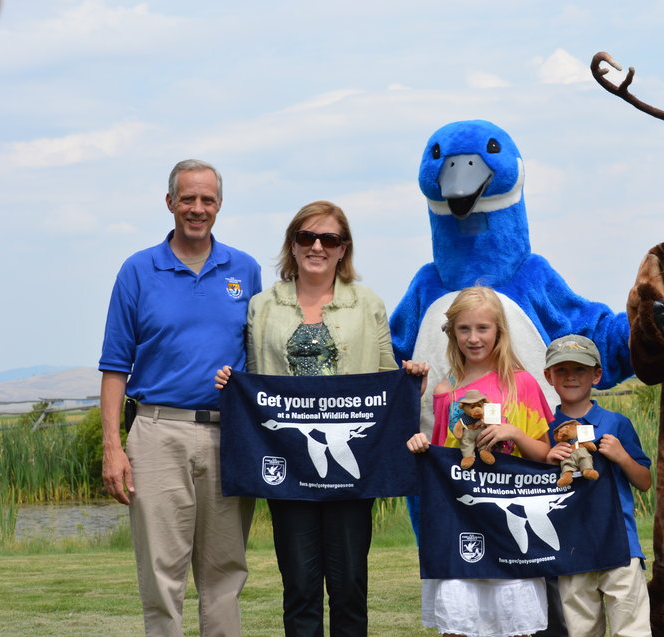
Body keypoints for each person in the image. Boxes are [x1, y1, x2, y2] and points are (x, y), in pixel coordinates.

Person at [215, 200, 427, 637]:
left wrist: (410, 383)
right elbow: (255, 379)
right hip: (288, 463)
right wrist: (232, 387)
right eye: (306, 237)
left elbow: (385, 374)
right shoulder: (262, 306)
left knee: (350, 584)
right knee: (300, 587)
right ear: (291, 245)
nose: (317, 246)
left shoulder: (367, 303)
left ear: (343, 249)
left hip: (354, 463)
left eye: (328, 239)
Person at [98, 159, 262, 637]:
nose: (197, 208)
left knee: (225, 574)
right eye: (187, 198)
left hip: (229, 438)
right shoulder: (137, 270)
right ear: (170, 203)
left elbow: (260, 357)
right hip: (155, 433)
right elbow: (114, 367)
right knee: (161, 574)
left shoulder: (245, 271)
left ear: (219, 205)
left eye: (206, 199)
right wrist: (113, 447)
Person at [406, 286, 554, 637]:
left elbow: (547, 457)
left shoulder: (522, 385)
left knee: (515, 627)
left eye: (483, 328)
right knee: (458, 625)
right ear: (452, 333)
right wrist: (419, 441)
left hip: (510, 521)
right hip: (461, 522)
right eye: (464, 329)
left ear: (499, 331)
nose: (473, 338)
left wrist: (515, 434)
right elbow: (443, 459)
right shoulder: (445, 391)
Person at [542, 335, 653, 637]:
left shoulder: (616, 424)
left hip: (621, 546)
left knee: (632, 630)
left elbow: (644, 481)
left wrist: (621, 456)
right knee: (581, 631)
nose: (571, 377)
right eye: (562, 370)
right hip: (571, 549)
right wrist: (546, 455)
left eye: (579, 369)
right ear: (548, 376)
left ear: (597, 375)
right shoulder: (544, 429)